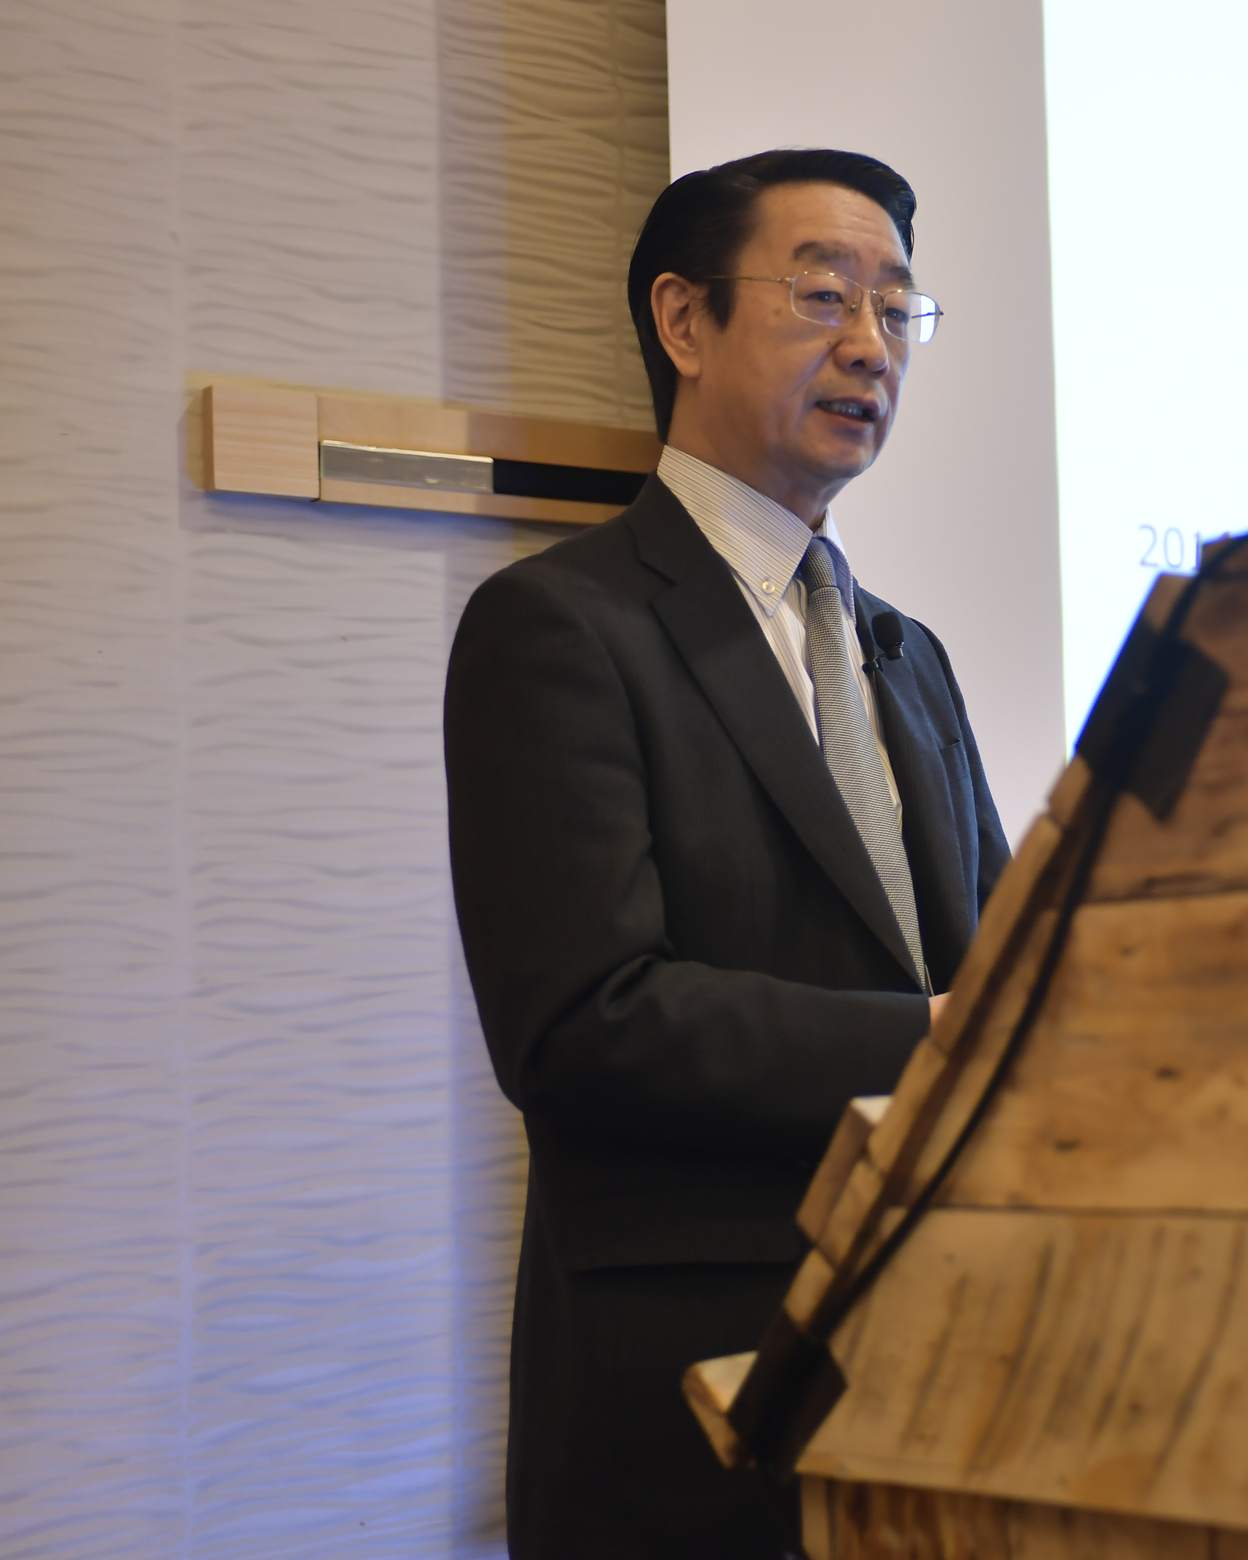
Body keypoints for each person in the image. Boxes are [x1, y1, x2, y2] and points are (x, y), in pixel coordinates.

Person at [444, 148, 1011, 1558]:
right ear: (684, 321)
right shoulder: (562, 627)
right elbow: (582, 1021)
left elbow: (1003, 973)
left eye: (898, 308)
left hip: (950, 1377)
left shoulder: (908, 654)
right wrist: (944, 1041)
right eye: (825, 296)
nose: (872, 345)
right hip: (689, 1407)